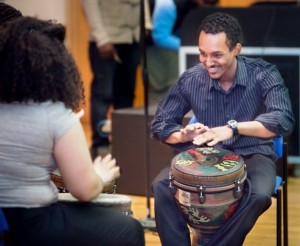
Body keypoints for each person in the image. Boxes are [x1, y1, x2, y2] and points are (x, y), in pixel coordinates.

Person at [150, 12, 294, 246]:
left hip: (253, 152)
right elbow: (160, 124)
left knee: (258, 195)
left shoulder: (264, 74)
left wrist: (233, 129)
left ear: (236, 48)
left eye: (216, 54)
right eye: (202, 54)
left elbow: (282, 120)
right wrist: (181, 134)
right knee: (161, 186)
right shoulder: (191, 79)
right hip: (206, 156)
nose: (208, 62)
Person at [0, 16, 145, 246]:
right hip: (34, 224)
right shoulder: (55, 115)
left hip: (5, 221)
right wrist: (100, 177)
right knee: (129, 229)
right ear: (56, 66)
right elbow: (84, 191)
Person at [81, 0, 152, 159]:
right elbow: (89, 4)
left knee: (126, 94)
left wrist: (146, 23)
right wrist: (101, 38)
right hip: (107, 41)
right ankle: (100, 144)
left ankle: (122, 141)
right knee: (103, 94)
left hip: (132, 39)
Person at [147, 0, 218, 103]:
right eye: (206, 2)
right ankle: (157, 118)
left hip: (174, 47)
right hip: (154, 48)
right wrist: (191, 46)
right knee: (159, 87)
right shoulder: (168, 4)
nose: (207, 6)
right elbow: (159, 36)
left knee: (176, 87)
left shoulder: (194, 6)